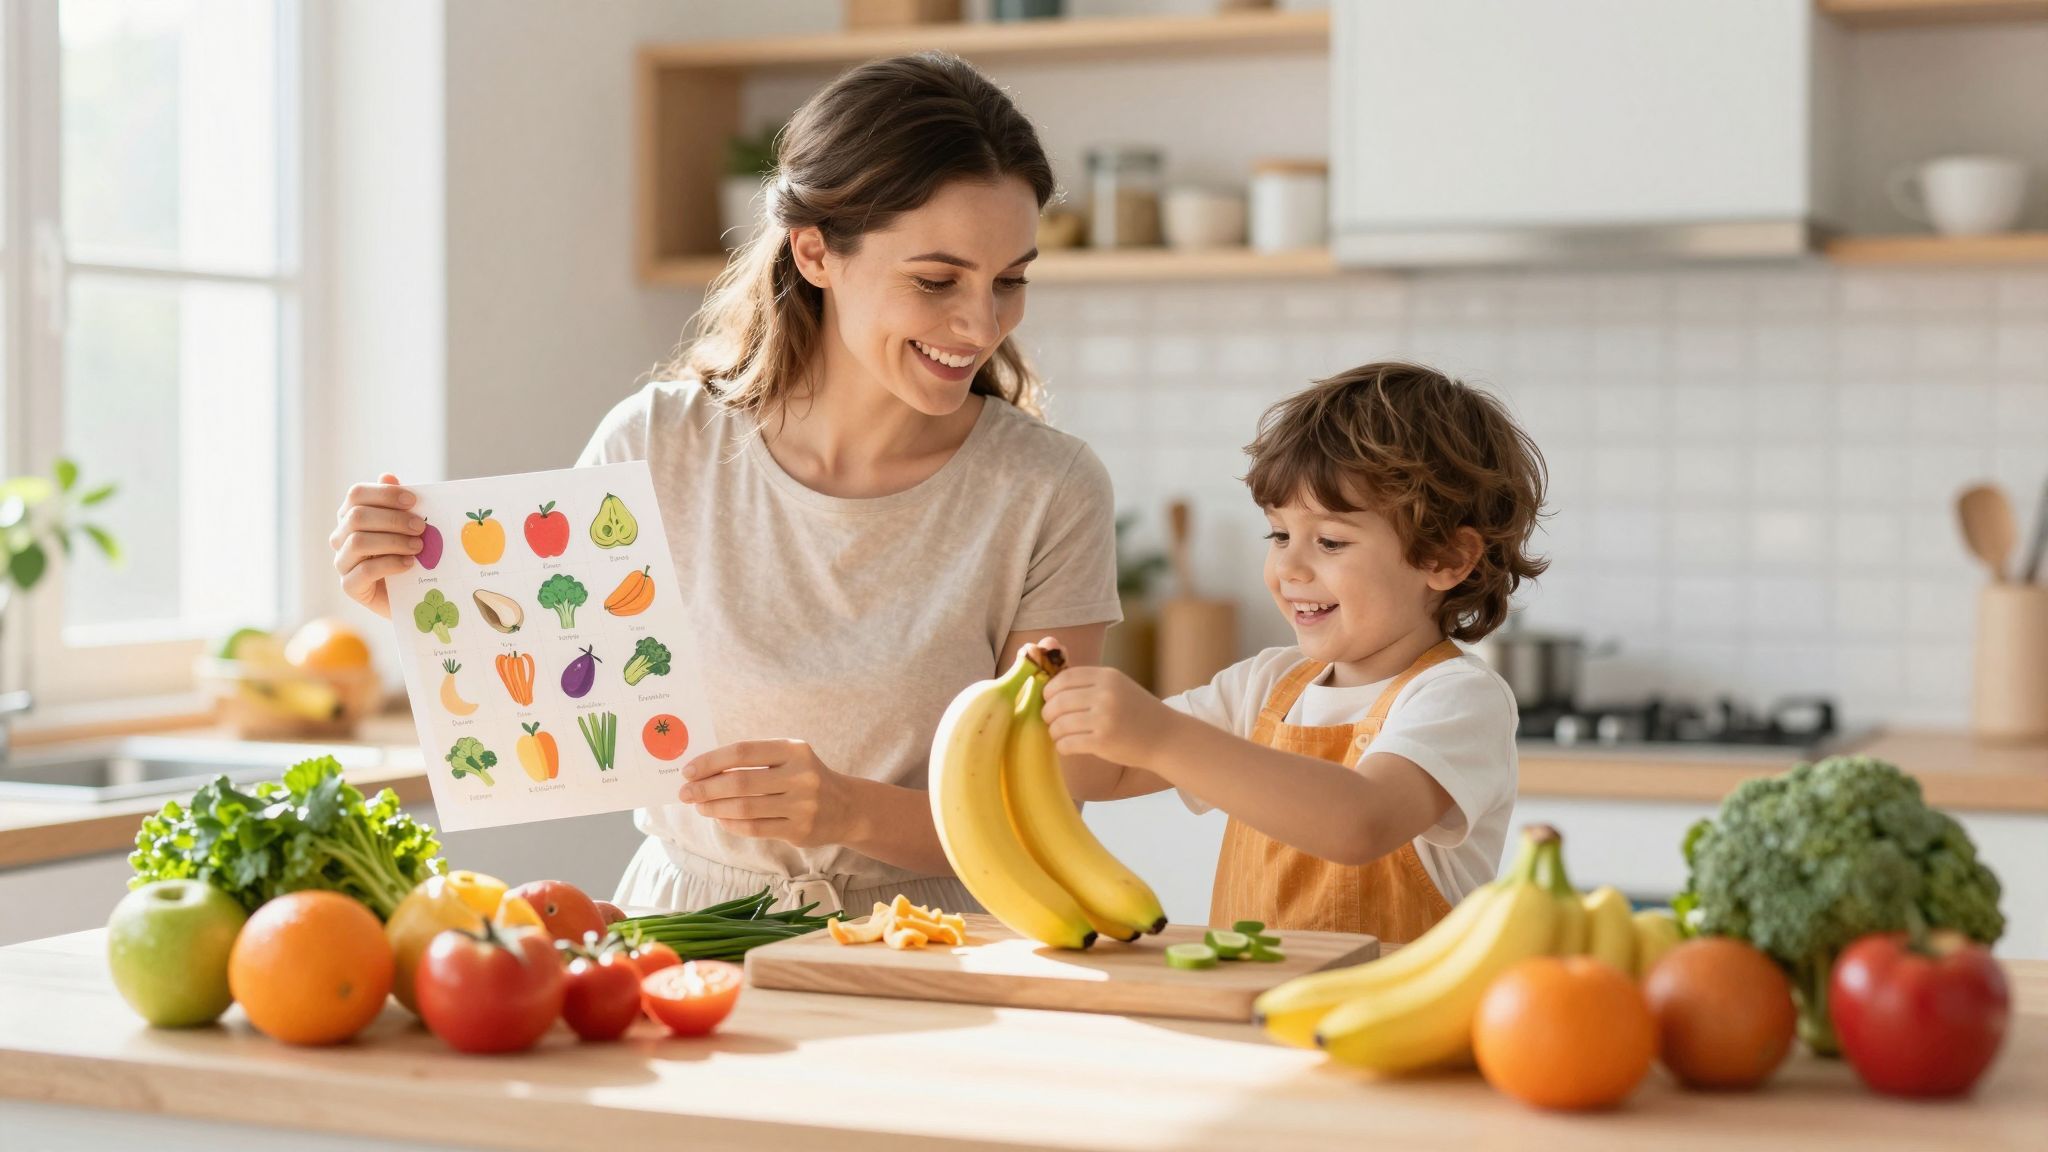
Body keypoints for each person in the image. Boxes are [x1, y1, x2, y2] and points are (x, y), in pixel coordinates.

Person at [329, 53, 1120, 916]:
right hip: (681, 927)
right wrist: (422, 605)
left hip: (932, 947)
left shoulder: (1048, 487)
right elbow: (565, 708)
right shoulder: (657, 443)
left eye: (1010, 281)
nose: (981, 324)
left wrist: (851, 810)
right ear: (815, 252)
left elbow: (1045, 808)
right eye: (936, 281)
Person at [1041, 362, 1547, 943]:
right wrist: (1048, 711)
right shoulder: (1264, 686)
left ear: (1446, 559)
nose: (1289, 568)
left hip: (1387, 1027)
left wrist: (1158, 732)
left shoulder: (1456, 699)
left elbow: (1362, 821)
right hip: (1254, 1018)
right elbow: (1108, 773)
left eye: (1330, 541)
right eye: (1279, 535)